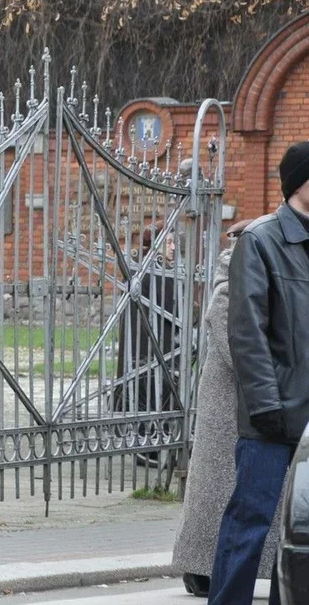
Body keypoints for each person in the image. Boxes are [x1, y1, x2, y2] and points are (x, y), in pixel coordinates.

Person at [210, 142, 309, 605]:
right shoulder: (263, 240)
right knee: (250, 526)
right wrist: (266, 405)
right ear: (300, 183)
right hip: (272, 418)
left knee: (301, 537)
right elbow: (247, 333)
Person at [174, 220, 282, 598]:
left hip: (266, 395)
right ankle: (202, 567)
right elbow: (225, 320)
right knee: (221, 492)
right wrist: (263, 377)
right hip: (234, 397)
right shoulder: (242, 255)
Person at [116, 225, 179, 467]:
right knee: (144, 390)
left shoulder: (170, 269)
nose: (173, 247)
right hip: (144, 345)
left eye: (174, 242)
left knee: (165, 391)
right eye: (169, 242)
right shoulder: (145, 269)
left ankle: (164, 441)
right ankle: (145, 444)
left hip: (165, 344)